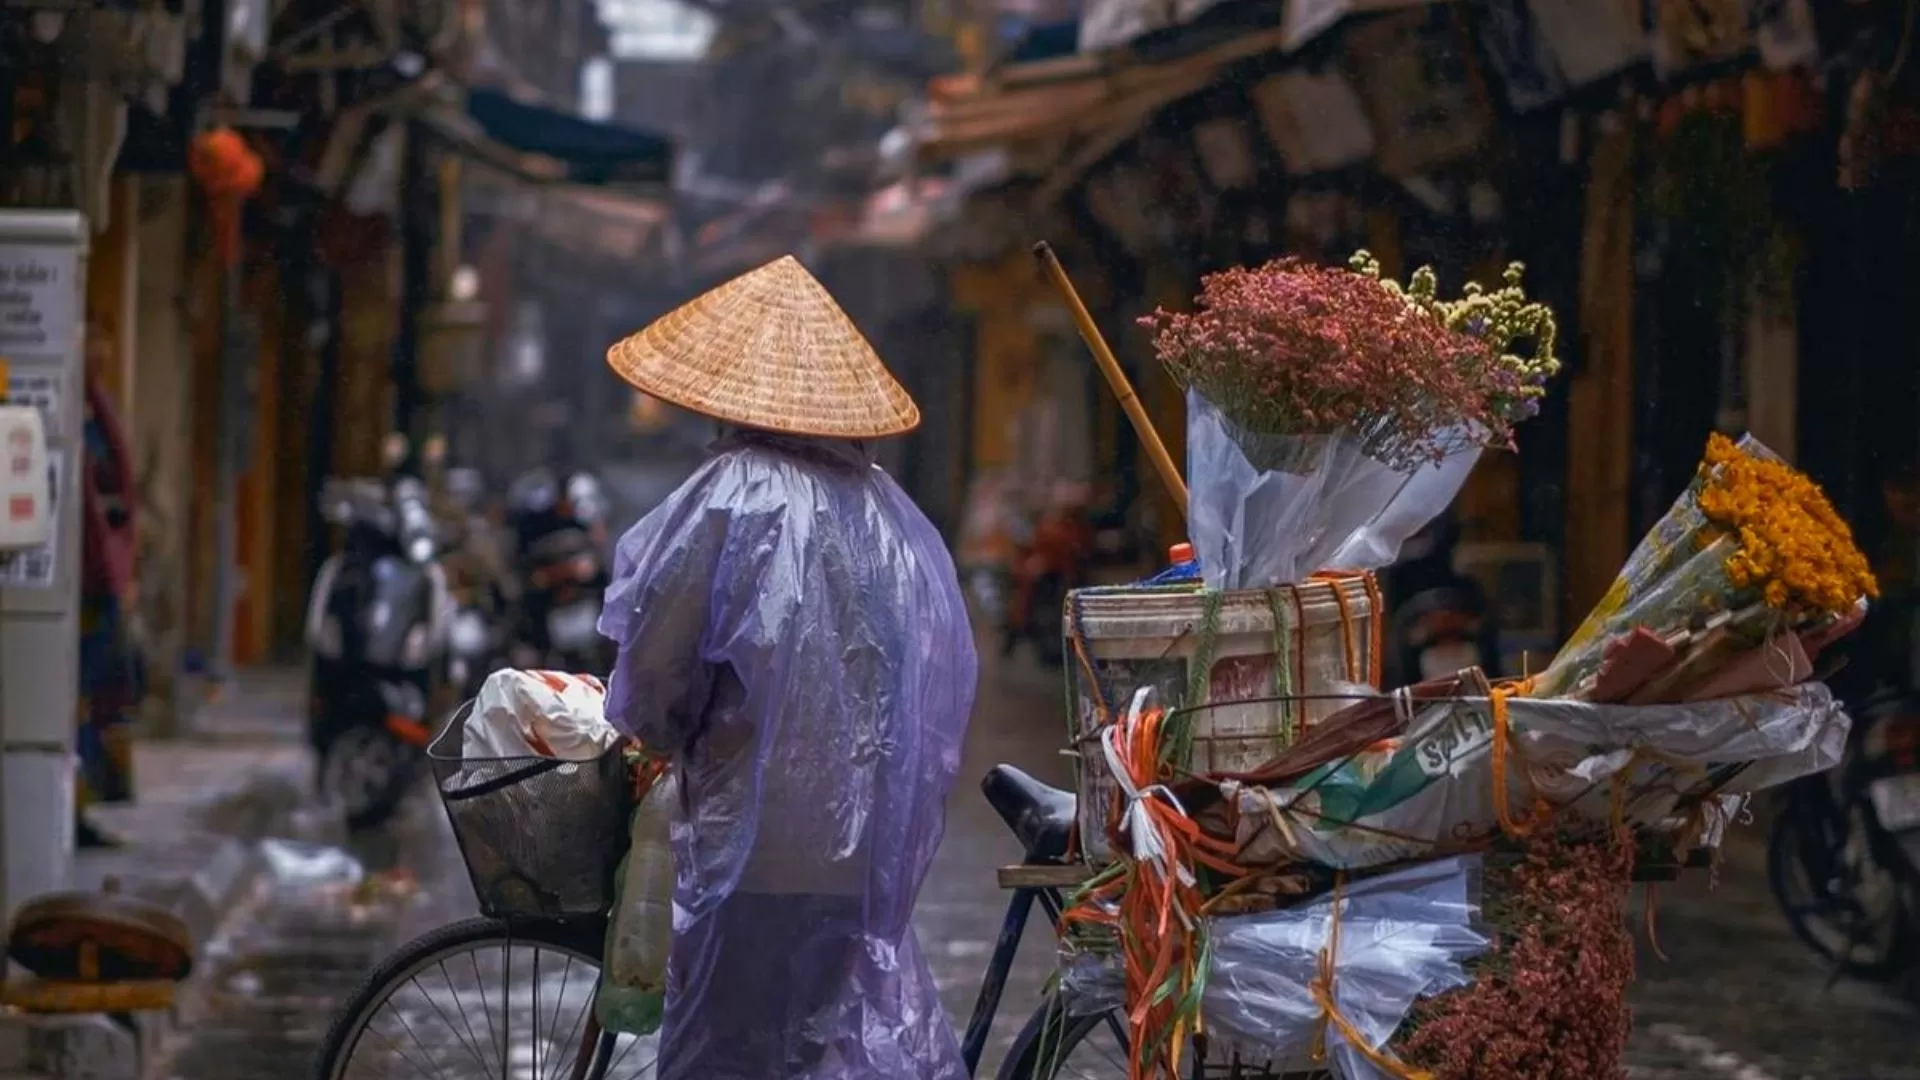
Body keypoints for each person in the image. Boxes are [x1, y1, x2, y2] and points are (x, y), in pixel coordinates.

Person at [597, 256, 978, 1080]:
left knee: (726, 1057)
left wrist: (650, 732)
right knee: (815, 1052)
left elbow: (657, 664)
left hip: (753, 848)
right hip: (863, 854)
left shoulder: (731, 493)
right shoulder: (887, 511)